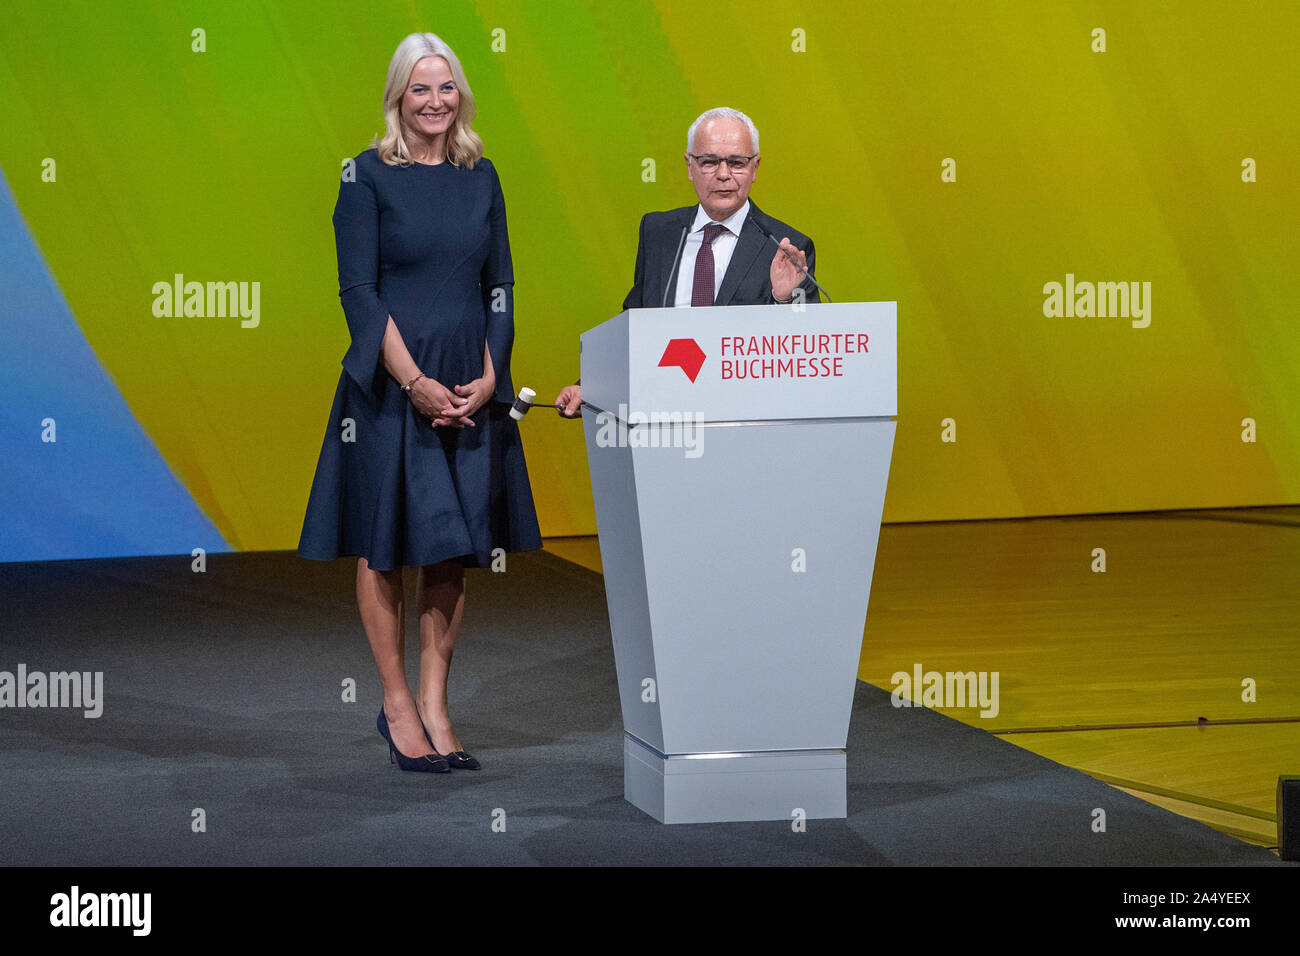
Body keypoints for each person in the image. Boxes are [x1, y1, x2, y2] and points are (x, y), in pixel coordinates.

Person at [298, 33, 541, 773]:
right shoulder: (363, 176)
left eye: (446, 89)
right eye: (420, 89)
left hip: (470, 387)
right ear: (398, 96)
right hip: (390, 391)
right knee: (386, 547)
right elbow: (358, 293)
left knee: (452, 547)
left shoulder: (482, 175)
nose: (435, 102)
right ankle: (397, 705)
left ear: (460, 96)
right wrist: (412, 382)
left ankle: (437, 703)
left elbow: (500, 286)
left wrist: (492, 377)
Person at [554, 107, 819, 416]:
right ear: (690, 166)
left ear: (755, 168)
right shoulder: (659, 232)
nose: (723, 174)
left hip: (743, 419)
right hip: (660, 415)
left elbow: (803, 354)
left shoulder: (786, 246)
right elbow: (633, 324)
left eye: (736, 162)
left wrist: (782, 299)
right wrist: (591, 385)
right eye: (709, 162)